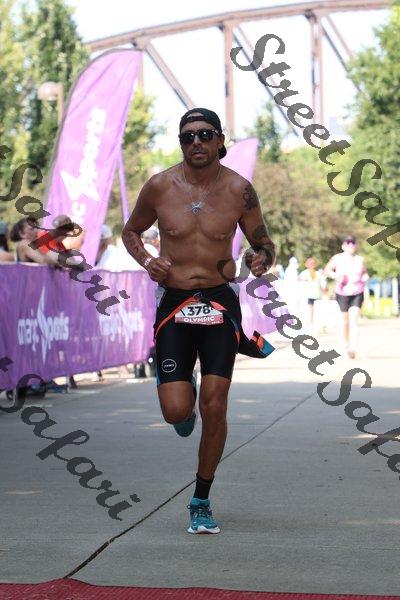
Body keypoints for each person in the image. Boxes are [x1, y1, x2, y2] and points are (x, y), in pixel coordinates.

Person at [122, 107, 275, 534]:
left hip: (219, 303)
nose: (196, 143)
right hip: (175, 304)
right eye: (187, 136)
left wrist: (260, 257)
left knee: (215, 404)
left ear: (219, 140)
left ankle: (201, 499)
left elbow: (264, 242)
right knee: (176, 412)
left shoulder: (239, 190)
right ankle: (181, 395)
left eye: (205, 134)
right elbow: (130, 232)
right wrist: (147, 260)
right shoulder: (160, 186)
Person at [323, 235, 369, 359]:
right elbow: (326, 270)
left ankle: (353, 348)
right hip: (342, 292)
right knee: (345, 322)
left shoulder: (360, 259)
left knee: (354, 320)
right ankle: (346, 345)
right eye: (348, 244)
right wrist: (335, 275)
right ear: (343, 246)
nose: (351, 246)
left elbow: (365, 273)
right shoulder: (337, 258)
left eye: (353, 244)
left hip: (357, 292)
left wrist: (365, 277)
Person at [299, 257, 324, 329]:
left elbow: (322, 284)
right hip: (306, 295)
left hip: (316, 294)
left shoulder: (318, 274)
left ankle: (313, 323)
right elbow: (300, 284)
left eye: (313, 263)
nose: (311, 265)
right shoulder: (303, 274)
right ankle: (308, 323)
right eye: (310, 263)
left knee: (315, 310)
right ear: (306, 264)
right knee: (308, 309)